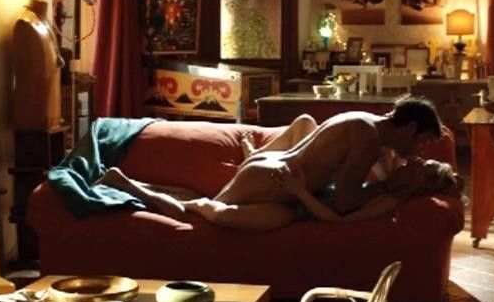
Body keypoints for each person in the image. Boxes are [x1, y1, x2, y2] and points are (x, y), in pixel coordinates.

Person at [99, 97, 445, 230]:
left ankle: (130, 185)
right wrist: (386, 189)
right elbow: (343, 202)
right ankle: (124, 183)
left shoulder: (365, 122)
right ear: (410, 127)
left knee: (202, 209)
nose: (420, 150)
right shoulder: (368, 139)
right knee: (195, 217)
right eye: (423, 140)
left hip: (271, 167)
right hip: (272, 179)